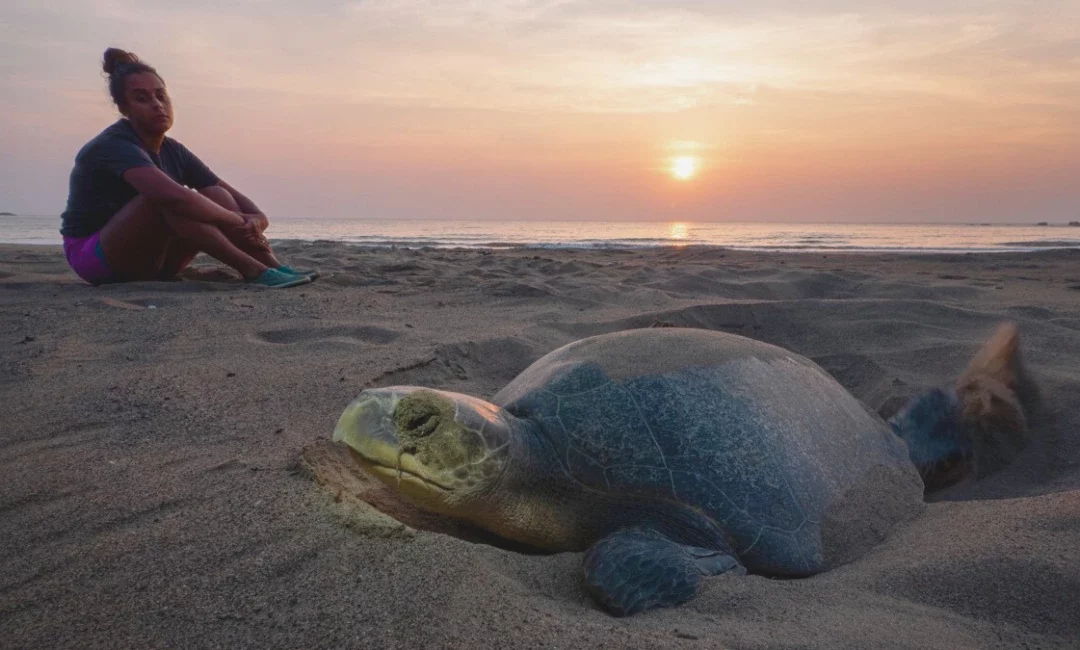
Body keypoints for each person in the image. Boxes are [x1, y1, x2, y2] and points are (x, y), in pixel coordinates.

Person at [60, 48, 317, 288]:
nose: (157, 104)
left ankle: (272, 266)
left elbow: (221, 189)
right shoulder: (113, 145)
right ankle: (253, 270)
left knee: (215, 194)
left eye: (161, 95)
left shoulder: (173, 150)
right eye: (142, 98)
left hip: (154, 262)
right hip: (97, 259)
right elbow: (173, 198)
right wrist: (239, 220)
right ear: (124, 108)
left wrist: (258, 218)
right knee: (168, 199)